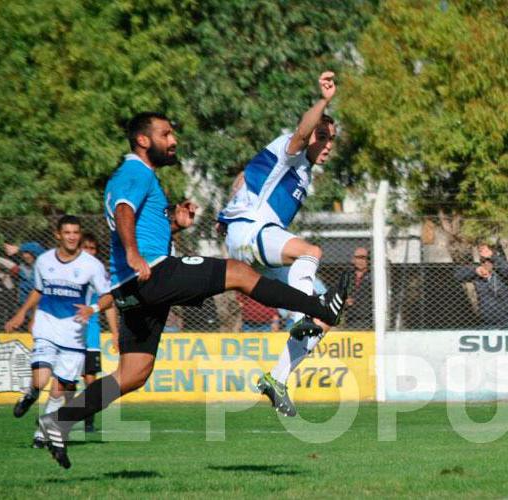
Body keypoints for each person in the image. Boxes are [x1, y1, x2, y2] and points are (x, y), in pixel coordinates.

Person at [36, 112, 350, 469]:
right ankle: (318, 309)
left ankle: (59, 421)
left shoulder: (141, 176)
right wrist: (133, 253)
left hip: (132, 287)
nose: (174, 141)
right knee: (239, 272)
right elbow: (123, 211)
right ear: (143, 140)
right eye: (166, 134)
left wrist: (174, 225)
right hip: (153, 273)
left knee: (133, 373)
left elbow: (136, 221)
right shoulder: (135, 172)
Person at [215, 71, 350, 417]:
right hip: (250, 232)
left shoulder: (302, 174)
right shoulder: (290, 151)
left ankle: (276, 379)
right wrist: (324, 100)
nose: (328, 143)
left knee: (324, 320)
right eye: (324, 135)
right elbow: (302, 132)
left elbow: (244, 181)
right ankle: (305, 309)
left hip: (255, 243)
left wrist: (229, 205)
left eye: (332, 138)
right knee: (312, 252)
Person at [4, 215, 114, 449]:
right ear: (58, 235)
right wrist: (23, 312)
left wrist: (92, 308)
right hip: (47, 325)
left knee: (59, 390)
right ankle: (31, 393)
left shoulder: (91, 265)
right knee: (41, 379)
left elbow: (108, 296)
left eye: (76, 232)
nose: (72, 237)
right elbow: (38, 290)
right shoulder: (44, 261)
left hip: (74, 334)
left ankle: (41, 434)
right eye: (67, 232)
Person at [78, 232, 121, 433]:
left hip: (91, 334)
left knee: (90, 379)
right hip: (69, 333)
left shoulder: (100, 274)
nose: (89, 252)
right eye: (85, 247)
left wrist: (114, 332)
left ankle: (88, 421)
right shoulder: (70, 269)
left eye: (93, 249)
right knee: (65, 380)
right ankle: (59, 418)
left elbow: (109, 304)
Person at [455, 244, 508, 329]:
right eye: (483, 261)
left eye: (489, 261)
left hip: (505, 322)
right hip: (486, 322)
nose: (486, 264)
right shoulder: (478, 276)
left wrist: (492, 256)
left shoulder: (501, 275)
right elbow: (457, 275)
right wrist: (475, 271)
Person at [343, 246, 374, 330]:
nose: (360, 261)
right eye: (357, 258)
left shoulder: (373, 276)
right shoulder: (348, 276)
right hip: (350, 318)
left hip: (368, 320)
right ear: (353, 259)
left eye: (363, 258)